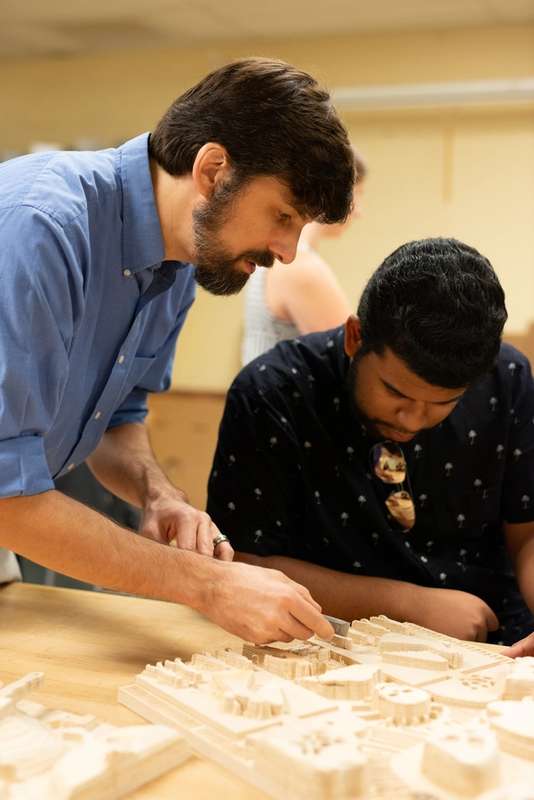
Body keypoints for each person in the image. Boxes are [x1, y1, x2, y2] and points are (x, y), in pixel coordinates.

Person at [0, 57, 356, 644]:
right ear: (213, 170)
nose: (288, 252)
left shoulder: (177, 266)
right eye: (283, 216)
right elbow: (9, 495)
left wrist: (156, 492)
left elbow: (115, 419)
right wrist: (209, 585)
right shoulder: (44, 228)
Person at [207, 238, 534, 651]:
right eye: (396, 392)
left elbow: (527, 532)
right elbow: (241, 563)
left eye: (442, 403)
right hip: (323, 642)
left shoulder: (507, 378)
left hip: (494, 640)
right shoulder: (273, 392)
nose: (412, 419)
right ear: (355, 337)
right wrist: (406, 605)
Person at [242, 148, 367, 365]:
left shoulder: (275, 254)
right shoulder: (300, 267)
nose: (359, 212)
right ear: (335, 192)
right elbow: (352, 361)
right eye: (358, 194)